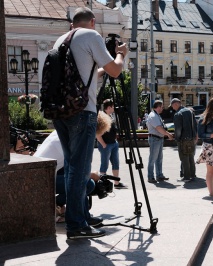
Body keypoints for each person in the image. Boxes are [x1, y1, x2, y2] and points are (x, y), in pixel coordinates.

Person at [52, 7, 127, 239]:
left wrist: (102, 68)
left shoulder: (61, 39)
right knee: (80, 170)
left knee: (73, 169)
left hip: (60, 112)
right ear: (92, 22)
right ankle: (77, 226)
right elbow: (116, 71)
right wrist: (121, 54)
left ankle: (80, 218)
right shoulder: (91, 36)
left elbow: (86, 76)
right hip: (82, 112)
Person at [34, 111, 112, 226]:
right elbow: (78, 170)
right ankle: (67, 209)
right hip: (42, 179)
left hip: (39, 175)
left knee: (81, 180)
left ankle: (80, 213)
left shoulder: (63, 132)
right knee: (87, 184)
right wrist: (92, 175)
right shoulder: (75, 138)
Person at [96, 99, 126, 189]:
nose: (114, 108)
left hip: (113, 143)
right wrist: (103, 144)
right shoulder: (102, 117)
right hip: (106, 145)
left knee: (116, 163)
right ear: (108, 107)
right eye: (112, 106)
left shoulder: (110, 116)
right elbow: (97, 134)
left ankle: (116, 183)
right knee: (104, 165)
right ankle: (102, 184)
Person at [146, 100, 174, 183]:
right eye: (162, 107)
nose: (163, 108)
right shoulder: (153, 115)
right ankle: (150, 177)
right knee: (153, 159)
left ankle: (159, 175)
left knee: (159, 159)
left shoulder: (156, 115)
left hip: (158, 139)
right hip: (155, 139)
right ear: (158, 107)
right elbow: (158, 128)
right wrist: (168, 134)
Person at [171, 98, 198, 182]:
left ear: (175, 104)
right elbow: (195, 125)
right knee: (191, 157)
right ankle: (192, 175)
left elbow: (178, 129)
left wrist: (177, 139)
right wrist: (195, 136)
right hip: (191, 138)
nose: (172, 108)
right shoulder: (190, 111)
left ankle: (186, 177)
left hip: (183, 139)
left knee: (184, 157)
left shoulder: (178, 114)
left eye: (172, 106)